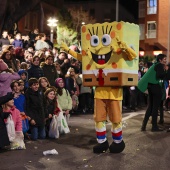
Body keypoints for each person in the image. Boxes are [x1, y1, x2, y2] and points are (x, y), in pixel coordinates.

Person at [138, 54, 170, 132]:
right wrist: (168, 71)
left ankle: (144, 125)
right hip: (156, 88)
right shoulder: (159, 65)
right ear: (160, 60)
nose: (165, 60)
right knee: (155, 108)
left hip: (151, 87)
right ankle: (154, 127)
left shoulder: (155, 65)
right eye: (164, 59)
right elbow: (160, 75)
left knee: (150, 107)